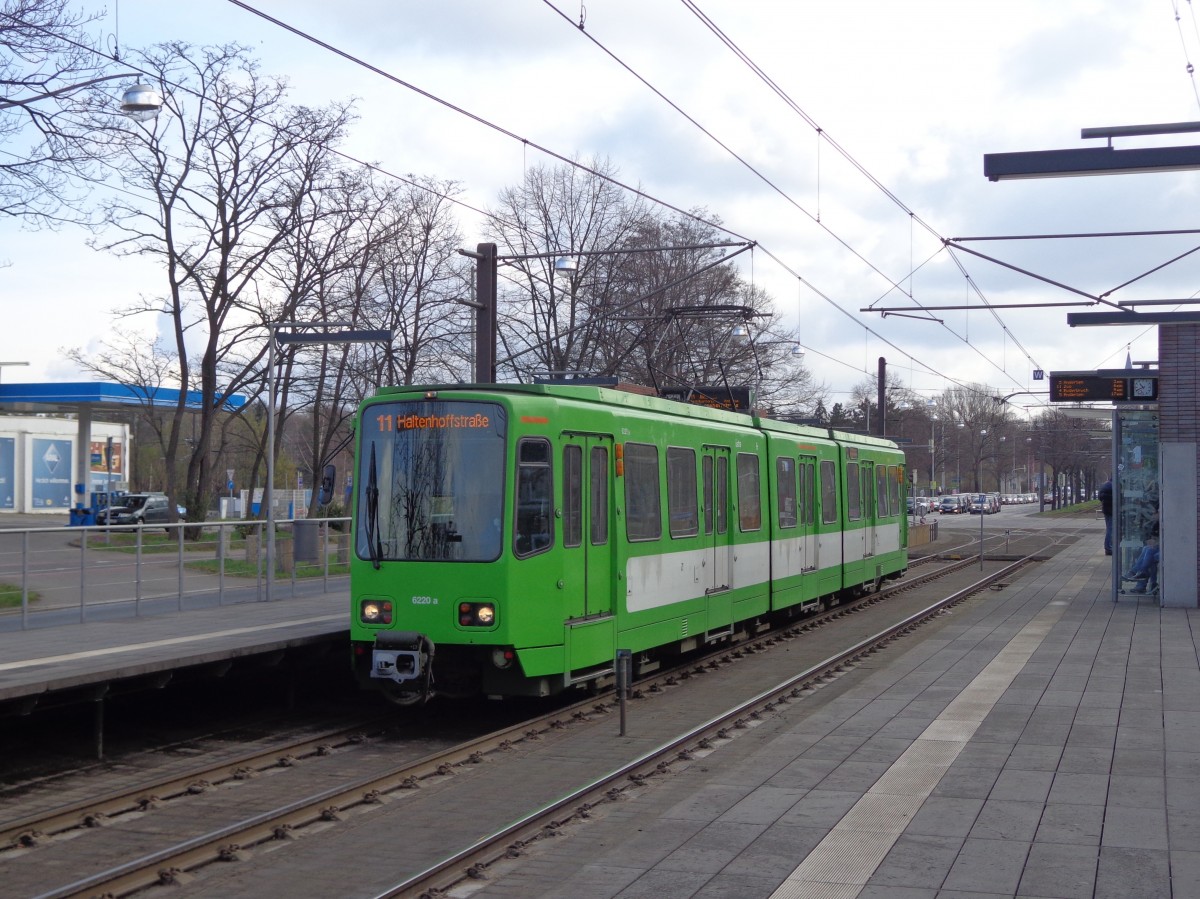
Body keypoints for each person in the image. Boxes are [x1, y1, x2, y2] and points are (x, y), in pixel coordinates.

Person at [1098, 478, 1113, 555]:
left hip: (1106, 509)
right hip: (1111, 510)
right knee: (1111, 529)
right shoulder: (1113, 486)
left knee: (1109, 528)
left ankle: (1108, 546)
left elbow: (1100, 497)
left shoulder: (1104, 485)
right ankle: (1109, 547)